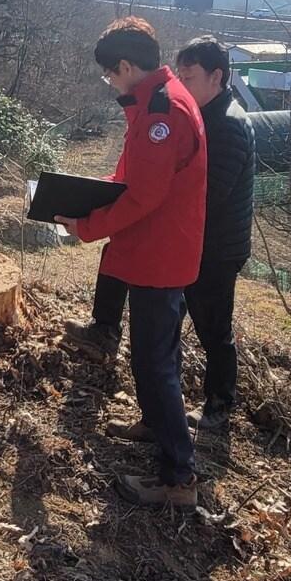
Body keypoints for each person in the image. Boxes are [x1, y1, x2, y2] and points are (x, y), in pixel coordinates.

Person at [64, 37, 255, 430]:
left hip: (215, 248)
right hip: (187, 240)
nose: (182, 85)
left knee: (212, 326)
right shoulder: (194, 112)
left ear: (216, 77)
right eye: (180, 76)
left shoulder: (228, 125)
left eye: (190, 77)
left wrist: (144, 212)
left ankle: (219, 403)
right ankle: (151, 402)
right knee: (160, 334)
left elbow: (206, 197)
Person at [55, 18, 207, 508]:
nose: (110, 83)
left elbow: (143, 195)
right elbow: (130, 177)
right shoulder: (153, 103)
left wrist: (86, 226)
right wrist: (85, 197)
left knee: (154, 360)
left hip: (159, 253)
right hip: (153, 247)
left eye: (109, 74)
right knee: (158, 355)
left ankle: (177, 478)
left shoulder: (164, 112)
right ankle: (153, 423)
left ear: (125, 66)